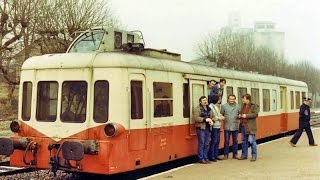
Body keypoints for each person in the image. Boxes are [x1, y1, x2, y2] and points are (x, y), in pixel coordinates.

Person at [238, 94, 259, 162]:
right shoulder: (243, 106)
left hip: (250, 127)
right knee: (244, 141)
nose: (242, 100)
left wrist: (246, 116)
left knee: (252, 141)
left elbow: (255, 114)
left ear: (248, 99)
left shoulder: (254, 106)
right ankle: (244, 155)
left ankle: (254, 156)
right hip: (243, 126)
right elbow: (241, 113)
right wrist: (240, 115)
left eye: (243, 99)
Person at [193, 96, 214, 164]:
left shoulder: (209, 108)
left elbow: (212, 116)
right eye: (203, 100)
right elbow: (196, 118)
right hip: (201, 128)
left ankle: (205, 158)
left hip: (208, 128)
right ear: (200, 102)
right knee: (201, 143)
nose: (205, 101)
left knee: (207, 143)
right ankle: (201, 159)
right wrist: (205, 119)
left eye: (206, 100)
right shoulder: (197, 109)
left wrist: (212, 121)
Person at [221, 94, 241, 160]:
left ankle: (235, 154)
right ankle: (225, 155)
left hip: (235, 126)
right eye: (230, 99)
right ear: (228, 99)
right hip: (227, 126)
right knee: (226, 141)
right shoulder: (224, 106)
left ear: (235, 99)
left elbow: (240, 114)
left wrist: (239, 116)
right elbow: (221, 114)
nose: (231, 100)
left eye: (233, 99)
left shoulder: (238, 106)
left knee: (235, 141)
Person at [208, 95, 225, 162]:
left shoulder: (216, 106)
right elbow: (211, 116)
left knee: (217, 141)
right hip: (214, 126)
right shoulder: (210, 107)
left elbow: (218, 114)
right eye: (218, 99)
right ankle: (211, 156)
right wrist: (218, 118)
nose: (219, 100)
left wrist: (221, 116)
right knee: (214, 141)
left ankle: (215, 155)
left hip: (218, 125)